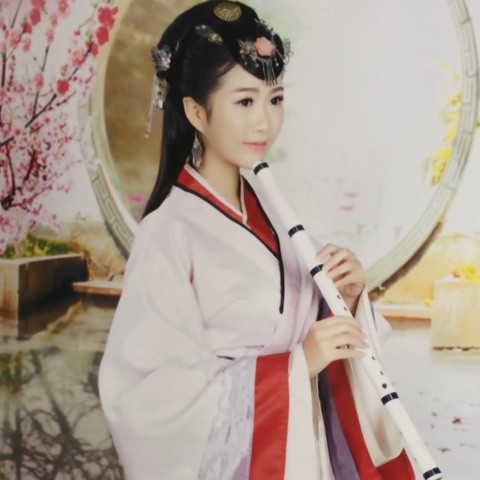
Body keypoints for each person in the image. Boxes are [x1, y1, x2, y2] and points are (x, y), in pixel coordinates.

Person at [98, 1, 415, 478]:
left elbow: (312, 328)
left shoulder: (273, 211)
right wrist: (296, 366)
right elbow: (146, 398)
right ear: (196, 111)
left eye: (275, 99)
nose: (265, 122)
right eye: (245, 102)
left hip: (300, 450)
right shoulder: (169, 231)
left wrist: (345, 299)